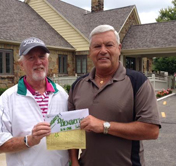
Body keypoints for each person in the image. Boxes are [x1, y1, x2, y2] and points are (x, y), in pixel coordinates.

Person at [68, 25, 161, 166]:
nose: (103, 51)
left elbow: (152, 130)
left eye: (109, 45)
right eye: (97, 46)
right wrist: (74, 161)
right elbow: (71, 128)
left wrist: (104, 126)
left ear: (119, 48)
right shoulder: (78, 85)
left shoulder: (137, 82)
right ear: (90, 52)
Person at [0, 37, 69, 166]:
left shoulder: (62, 94)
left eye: (42, 56)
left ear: (48, 60)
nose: (38, 62)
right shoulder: (7, 99)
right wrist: (30, 140)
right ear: (21, 64)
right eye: (31, 58)